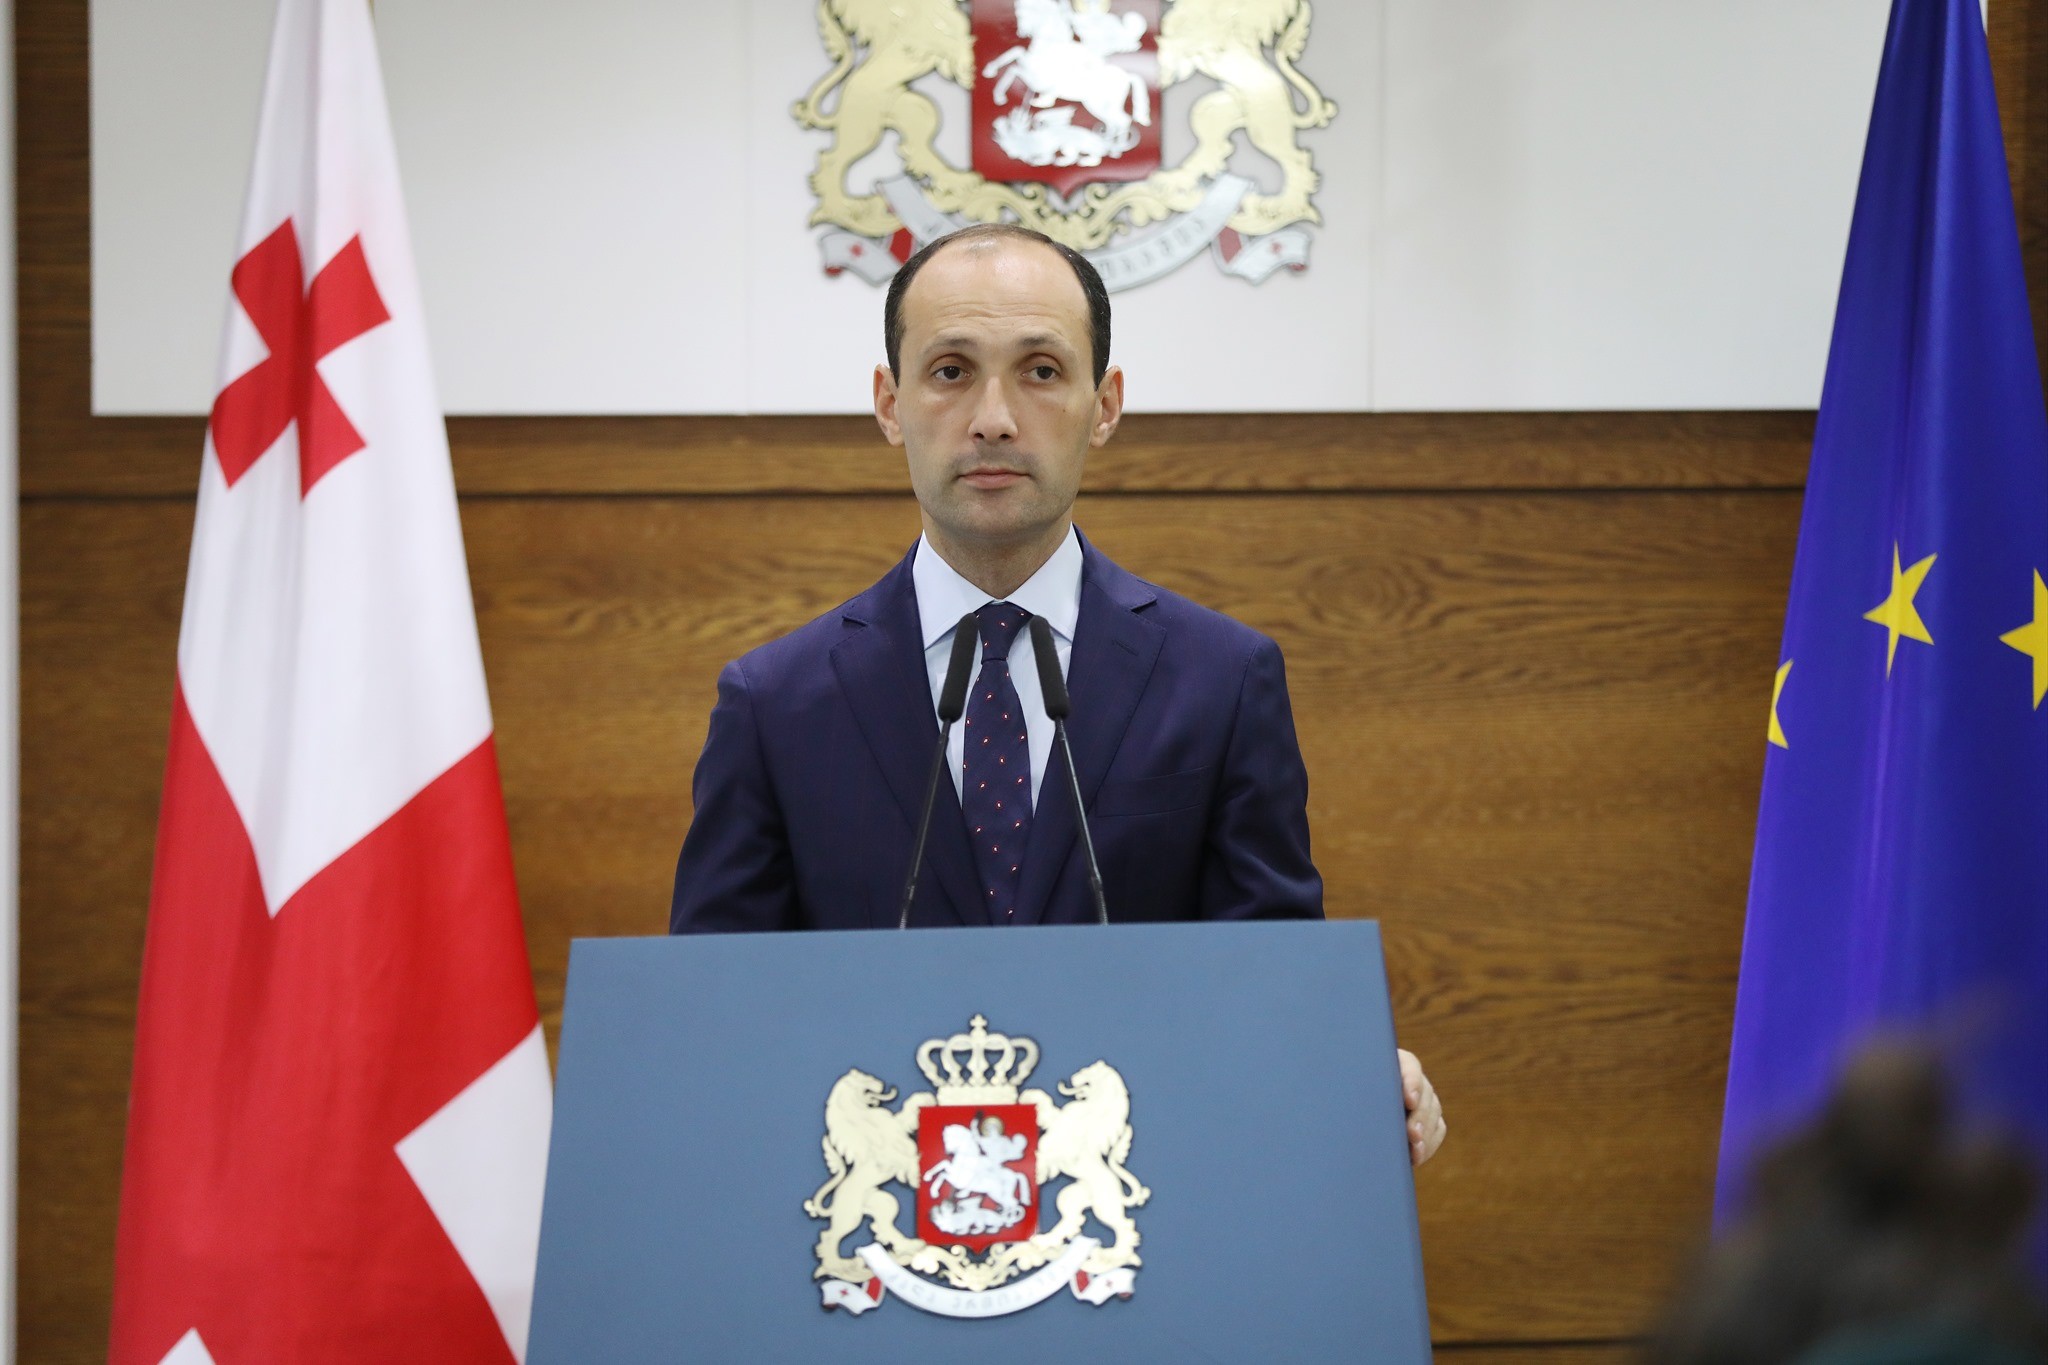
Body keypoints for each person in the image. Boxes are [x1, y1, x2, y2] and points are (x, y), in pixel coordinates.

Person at [669, 222, 1446, 1167]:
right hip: (877, 1220)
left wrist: (1350, 1070)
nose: (994, 418)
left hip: (1137, 1203)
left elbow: (1271, 982)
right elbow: (711, 1021)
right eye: (951, 371)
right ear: (889, 403)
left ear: (1104, 405)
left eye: (1040, 371)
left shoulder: (1222, 678)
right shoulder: (774, 703)